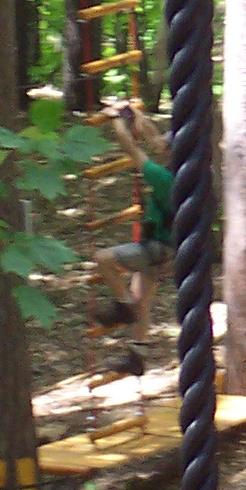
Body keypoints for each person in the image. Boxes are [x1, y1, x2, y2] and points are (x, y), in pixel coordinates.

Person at [92, 105, 174, 372]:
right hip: (167, 249)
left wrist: (116, 119)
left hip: (155, 248)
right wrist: (137, 117)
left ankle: (124, 307)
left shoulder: (164, 179)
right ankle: (137, 355)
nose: (162, 146)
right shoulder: (189, 177)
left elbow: (131, 149)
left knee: (103, 259)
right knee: (144, 302)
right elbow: (156, 139)